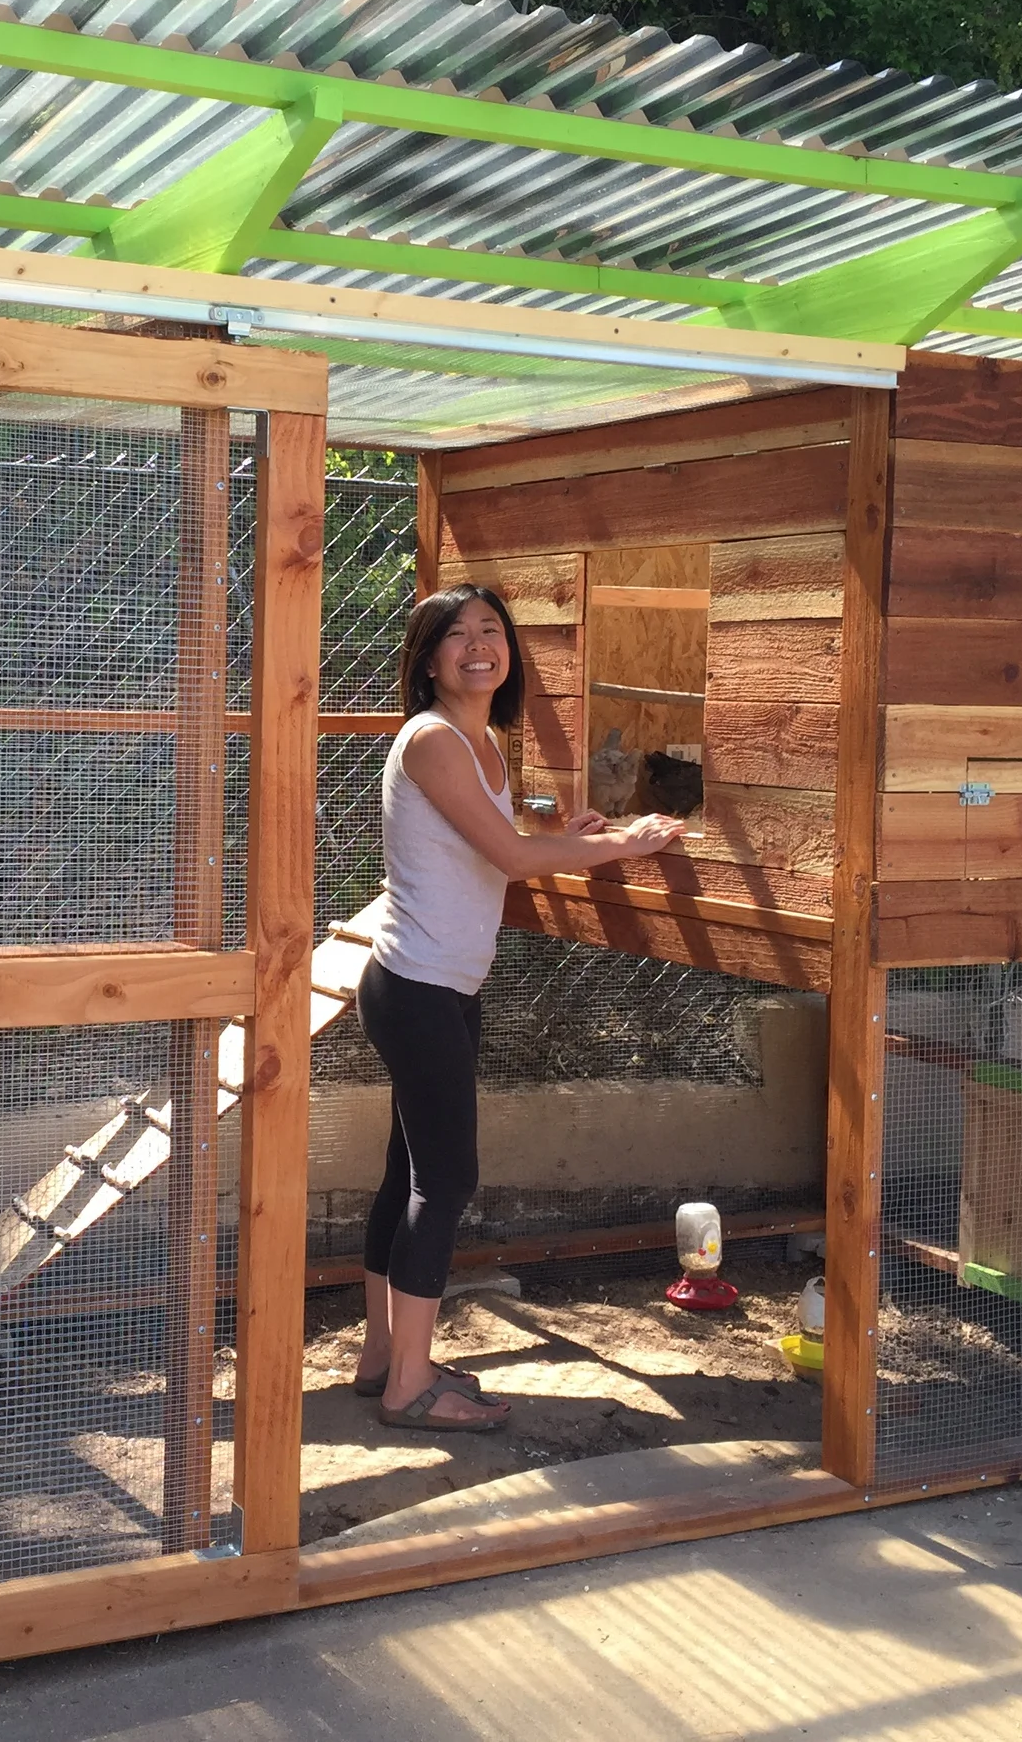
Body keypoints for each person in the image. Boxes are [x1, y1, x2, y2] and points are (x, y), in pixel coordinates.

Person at [350, 584, 685, 1431]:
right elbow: (508, 853)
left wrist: (566, 822)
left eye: (491, 631)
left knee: (408, 1173)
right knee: (447, 1179)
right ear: (428, 660)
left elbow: (506, 826)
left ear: (509, 651)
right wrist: (617, 844)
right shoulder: (431, 738)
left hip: (443, 989)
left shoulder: (483, 742)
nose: (477, 646)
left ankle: (386, 1354)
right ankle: (410, 1390)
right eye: (456, 635)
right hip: (417, 988)